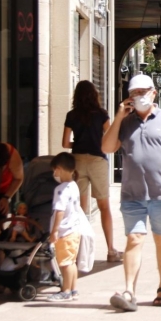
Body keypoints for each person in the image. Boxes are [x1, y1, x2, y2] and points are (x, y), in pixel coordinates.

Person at [102, 74, 161, 311]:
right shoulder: (126, 122)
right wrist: (119, 117)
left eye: (143, 92)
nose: (139, 96)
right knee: (134, 239)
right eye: (134, 93)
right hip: (132, 193)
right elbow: (107, 147)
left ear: (153, 93)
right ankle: (129, 290)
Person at [62, 80, 121, 262]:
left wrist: (78, 143)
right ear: (95, 95)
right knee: (104, 206)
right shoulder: (102, 114)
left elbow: (65, 143)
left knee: (79, 208)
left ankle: (78, 252)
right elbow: (110, 138)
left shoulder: (71, 115)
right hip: (97, 160)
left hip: (77, 160)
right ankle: (111, 250)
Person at [47, 153, 83, 302]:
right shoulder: (74, 185)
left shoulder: (60, 189)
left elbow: (59, 211)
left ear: (59, 169)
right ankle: (74, 290)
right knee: (72, 262)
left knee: (65, 263)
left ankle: (66, 291)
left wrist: (54, 231)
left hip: (65, 232)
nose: (54, 174)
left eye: (54, 170)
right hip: (75, 230)